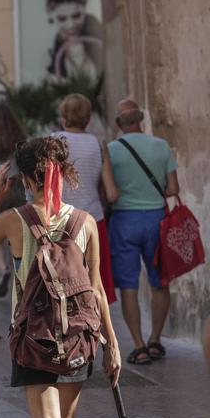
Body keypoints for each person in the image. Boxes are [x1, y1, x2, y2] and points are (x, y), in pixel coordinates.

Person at [0, 136, 121, 418]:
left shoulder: (13, 219)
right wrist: (112, 344)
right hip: (79, 337)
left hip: (33, 336)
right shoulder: (85, 223)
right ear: (64, 173)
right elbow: (97, 289)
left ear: (24, 178)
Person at [107, 99, 179, 364]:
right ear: (141, 119)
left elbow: (107, 190)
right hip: (157, 222)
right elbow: (173, 189)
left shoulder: (111, 150)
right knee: (160, 282)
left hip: (124, 221)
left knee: (129, 286)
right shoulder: (161, 147)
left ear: (118, 124)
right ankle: (155, 340)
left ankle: (138, 346)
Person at [53, 94, 119, 303]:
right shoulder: (99, 144)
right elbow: (111, 193)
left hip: (62, 221)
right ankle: (95, 331)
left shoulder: (53, 141)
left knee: (64, 284)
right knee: (94, 284)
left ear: (64, 117)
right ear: (89, 119)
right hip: (93, 221)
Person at [0, 103, 28, 297]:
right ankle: (19, 273)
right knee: (14, 231)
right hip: (17, 186)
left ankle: (4, 269)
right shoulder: (21, 139)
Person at [46, 0, 103, 81]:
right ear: (51, 17)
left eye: (76, 16)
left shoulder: (96, 34)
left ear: (84, 10)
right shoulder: (50, 55)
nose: (70, 25)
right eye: (62, 19)